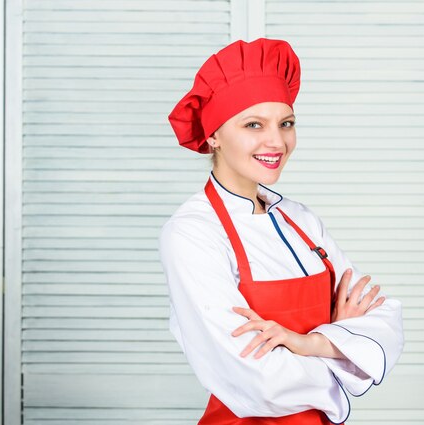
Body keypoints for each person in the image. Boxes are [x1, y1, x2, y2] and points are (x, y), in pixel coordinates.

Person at [160, 38, 404, 425]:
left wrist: (309, 343)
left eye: (286, 123)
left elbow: (385, 319)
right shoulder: (193, 233)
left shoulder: (302, 221)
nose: (277, 141)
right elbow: (260, 383)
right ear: (213, 136)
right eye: (253, 124)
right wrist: (345, 349)